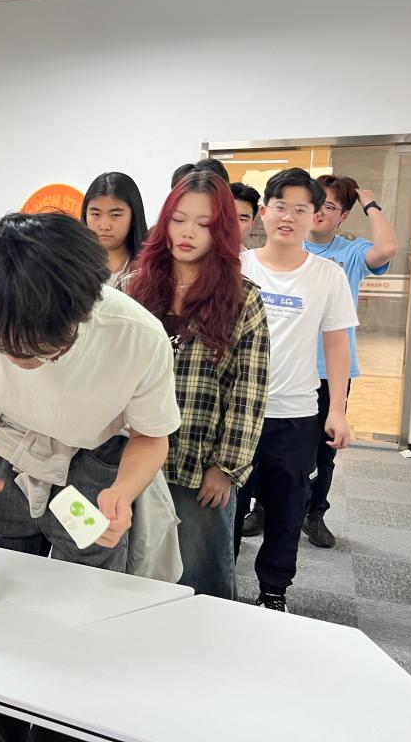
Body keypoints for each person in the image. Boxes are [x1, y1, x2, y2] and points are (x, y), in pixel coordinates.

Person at [0, 212, 181, 742]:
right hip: (5, 444)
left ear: (86, 309)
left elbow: (152, 437)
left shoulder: (135, 335)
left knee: (84, 598)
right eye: (6, 347)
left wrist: (123, 493)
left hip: (98, 454)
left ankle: (65, 715)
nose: (21, 360)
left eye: (41, 349)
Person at [126, 172, 269, 599]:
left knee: (199, 579)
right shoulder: (132, 287)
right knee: (130, 570)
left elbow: (249, 392)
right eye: (178, 219)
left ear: (221, 230)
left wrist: (226, 468)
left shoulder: (242, 298)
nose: (187, 232)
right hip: (130, 457)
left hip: (198, 464)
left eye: (203, 224)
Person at [235, 169, 356, 613]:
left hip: (296, 413)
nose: (288, 217)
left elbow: (337, 343)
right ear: (263, 213)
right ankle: (218, 580)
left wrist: (337, 409)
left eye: (300, 209)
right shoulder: (237, 265)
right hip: (237, 411)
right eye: (280, 207)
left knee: (287, 509)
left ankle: (273, 592)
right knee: (226, 504)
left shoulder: (327, 275)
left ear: (315, 216)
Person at [300, 173, 398, 548]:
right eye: (316, 203)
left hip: (331, 370)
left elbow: (387, 247)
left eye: (330, 206)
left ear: (342, 216)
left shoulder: (351, 253)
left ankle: (315, 513)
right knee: (271, 444)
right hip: (285, 367)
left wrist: (369, 203)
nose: (320, 212)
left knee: (324, 448)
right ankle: (263, 507)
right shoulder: (289, 246)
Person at [80, 172, 149, 287]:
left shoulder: (151, 270)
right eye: (96, 214)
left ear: (133, 216)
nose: (104, 226)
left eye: (115, 215)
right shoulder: (72, 268)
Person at [230, 182, 261, 250]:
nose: (235, 225)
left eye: (242, 219)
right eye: (229, 216)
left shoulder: (252, 257)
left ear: (253, 224)